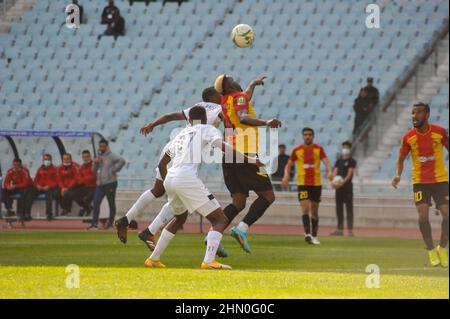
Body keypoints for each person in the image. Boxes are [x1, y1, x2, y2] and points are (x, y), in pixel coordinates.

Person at [145, 106, 262, 269]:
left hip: (171, 177)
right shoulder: (208, 129)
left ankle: (153, 259)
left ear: (189, 120)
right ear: (206, 118)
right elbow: (224, 148)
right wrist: (249, 159)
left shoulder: (181, 134)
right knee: (220, 219)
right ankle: (208, 261)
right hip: (186, 178)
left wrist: (166, 183)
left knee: (179, 218)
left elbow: (163, 162)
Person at [115, 87, 224, 252]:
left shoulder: (198, 106)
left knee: (159, 191)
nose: (222, 96)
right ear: (212, 96)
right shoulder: (218, 108)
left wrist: (153, 124)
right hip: (185, 153)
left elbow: (170, 116)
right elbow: (234, 119)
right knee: (173, 197)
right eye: (219, 94)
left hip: (175, 145)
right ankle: (147, 230)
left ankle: (137, 225)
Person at [214, 74, 281, 254]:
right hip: (246, 153)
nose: (235, 79)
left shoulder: (226, 99)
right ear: (229, 86)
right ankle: (241, 229)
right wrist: (266, 122)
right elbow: (243, 117)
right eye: (231, 79)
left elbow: (245, 97)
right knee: (268, 196)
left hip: (229, 155)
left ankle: (213, 235)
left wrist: (252, 84)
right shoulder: (239, 97)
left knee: (239, 201)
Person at [392, 102, 448, 268]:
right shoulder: (408, 137)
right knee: (423, 216)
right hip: (420, 182)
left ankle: (443, 248)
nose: (414, 116)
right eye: (413, 113)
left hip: (440, 181)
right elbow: (401, 159)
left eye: (418, 113)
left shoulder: (440, 132)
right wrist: (397, 175)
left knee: (448, 215)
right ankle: (431, 250)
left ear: (427, 115)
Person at [281, 128, 333, 245]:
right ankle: (307, 233)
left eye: (309, 134)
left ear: (313, 136)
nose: (307, 136)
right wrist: (286, 176)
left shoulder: (319, 149)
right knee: (305, 209)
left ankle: (314, 235)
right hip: (303, 184)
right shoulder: (297, 150)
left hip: (316, 184)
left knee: (314, 212)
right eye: (305, 135)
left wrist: (329, 171)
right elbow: (288, 165)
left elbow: (327, 162)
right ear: (302, 136)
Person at [89, 139, 125, 230]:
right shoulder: (98, 156)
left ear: (107, 146)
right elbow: (93, 171)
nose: (102, 148)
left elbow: (122, 161)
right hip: (100, 183)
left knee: (111, 203)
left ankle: (110, 224)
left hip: (110, 183)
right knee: (96, 202)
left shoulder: (111, 155)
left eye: (103, 146)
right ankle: (94, 224)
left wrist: (113, 170)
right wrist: (95, 163)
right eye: (100, 146)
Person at [330, 141, 357, 237]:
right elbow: (335, 172)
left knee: (349, 208)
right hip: (339, 188)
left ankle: (350, 230)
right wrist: (333, 181)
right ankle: (339, 229)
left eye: (346, 147)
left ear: (349, 149)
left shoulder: (352, 161)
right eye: (343, 147)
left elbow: (349, 174)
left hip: (348, 187)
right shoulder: (338, 161)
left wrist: (342, 183)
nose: (344, 149)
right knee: (339, 208)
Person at [31, 154, 59, 221]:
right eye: (45, 159)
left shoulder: (55, 169)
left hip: (49, 188)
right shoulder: (40, 169)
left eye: (48, 159)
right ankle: (25, 213)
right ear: (43, 160)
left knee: (49, 193)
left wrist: (49, 186)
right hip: (40, 187)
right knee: (29, 192)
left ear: (51, 160)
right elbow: (35, 180)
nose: (46, 161)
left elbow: (57, 181)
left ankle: (49, 214)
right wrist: (37, 185)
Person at [74, 150, 96, 216]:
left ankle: (86, 210)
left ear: (90, 157)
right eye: (84, 157)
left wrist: (83, 179)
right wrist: (82, 180)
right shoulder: (82, 166)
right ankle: (86, 208)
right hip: (85, 186)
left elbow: (93, 177)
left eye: (87, 157)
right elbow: (78, 176)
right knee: (74, 195)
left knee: (88, 198)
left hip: (94, 187)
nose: (85, 158)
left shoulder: (94, 165)